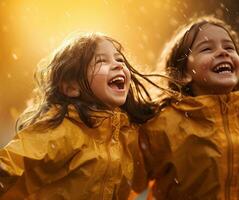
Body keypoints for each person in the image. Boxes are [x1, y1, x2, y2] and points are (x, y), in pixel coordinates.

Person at [139, 16, 239, 200]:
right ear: (183, 74)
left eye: (229, 48)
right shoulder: (163, 126)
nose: (223, 53)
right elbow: (121, 171)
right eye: (207, 49)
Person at [0, 32, 156, 200]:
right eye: (101, 61)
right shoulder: (62, 129)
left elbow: (145, 177)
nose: (118, 65)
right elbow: (15, 161)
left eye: (120, 60)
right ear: (71, 87)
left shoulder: (129, 134)